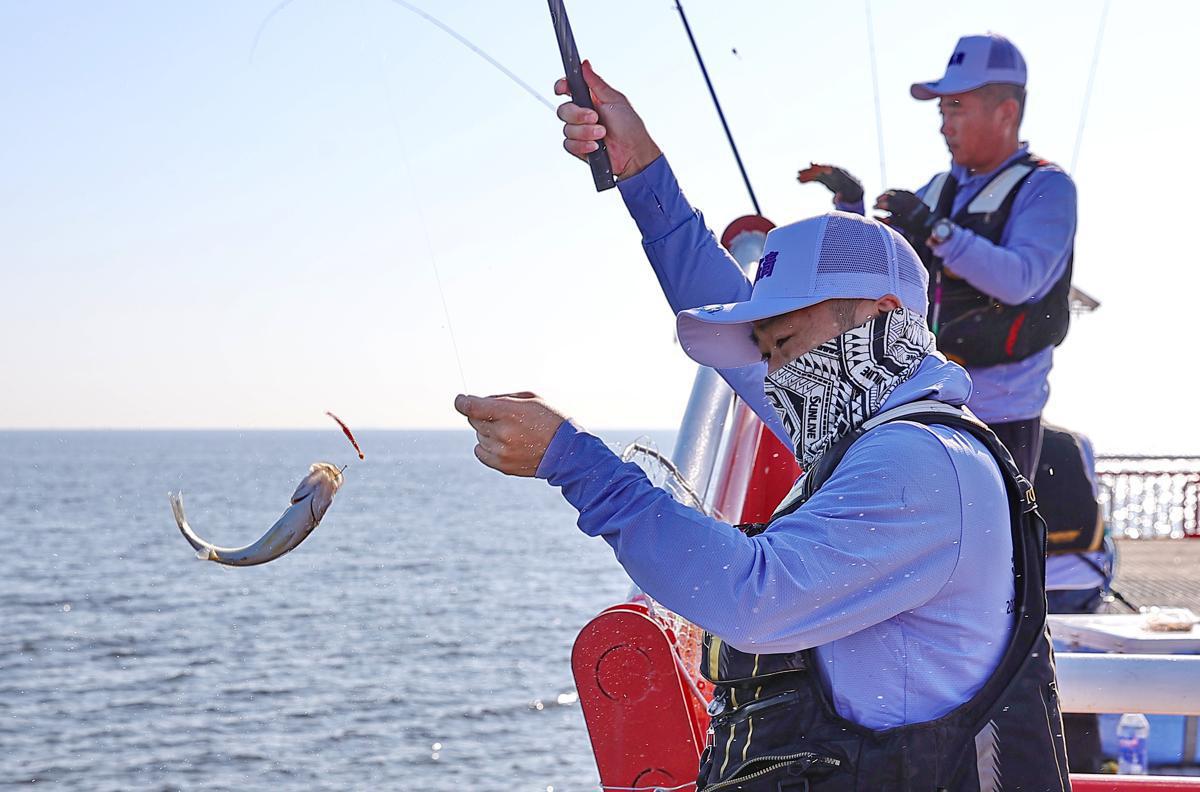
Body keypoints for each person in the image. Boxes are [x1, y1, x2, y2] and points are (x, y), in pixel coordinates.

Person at [454, 63, 1069, 791]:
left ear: (877, 315)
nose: (773, 376)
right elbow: (717, 294)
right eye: (765, 351)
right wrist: (642, 174)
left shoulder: (921, 462)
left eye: (783, 343)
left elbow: (753, 600)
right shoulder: (869, 413)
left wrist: (576, 463)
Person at [800, 34, 1077, 481]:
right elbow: (885, 268)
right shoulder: (937, 189)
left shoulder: (1047, 187)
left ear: (1006, 112)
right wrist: (851, 204)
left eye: (956, 109)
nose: (945, 126)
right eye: (942, 112)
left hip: (1001, 417)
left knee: (995, 529)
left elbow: (1020, 280)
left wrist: (936, 229)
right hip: (923, 401)